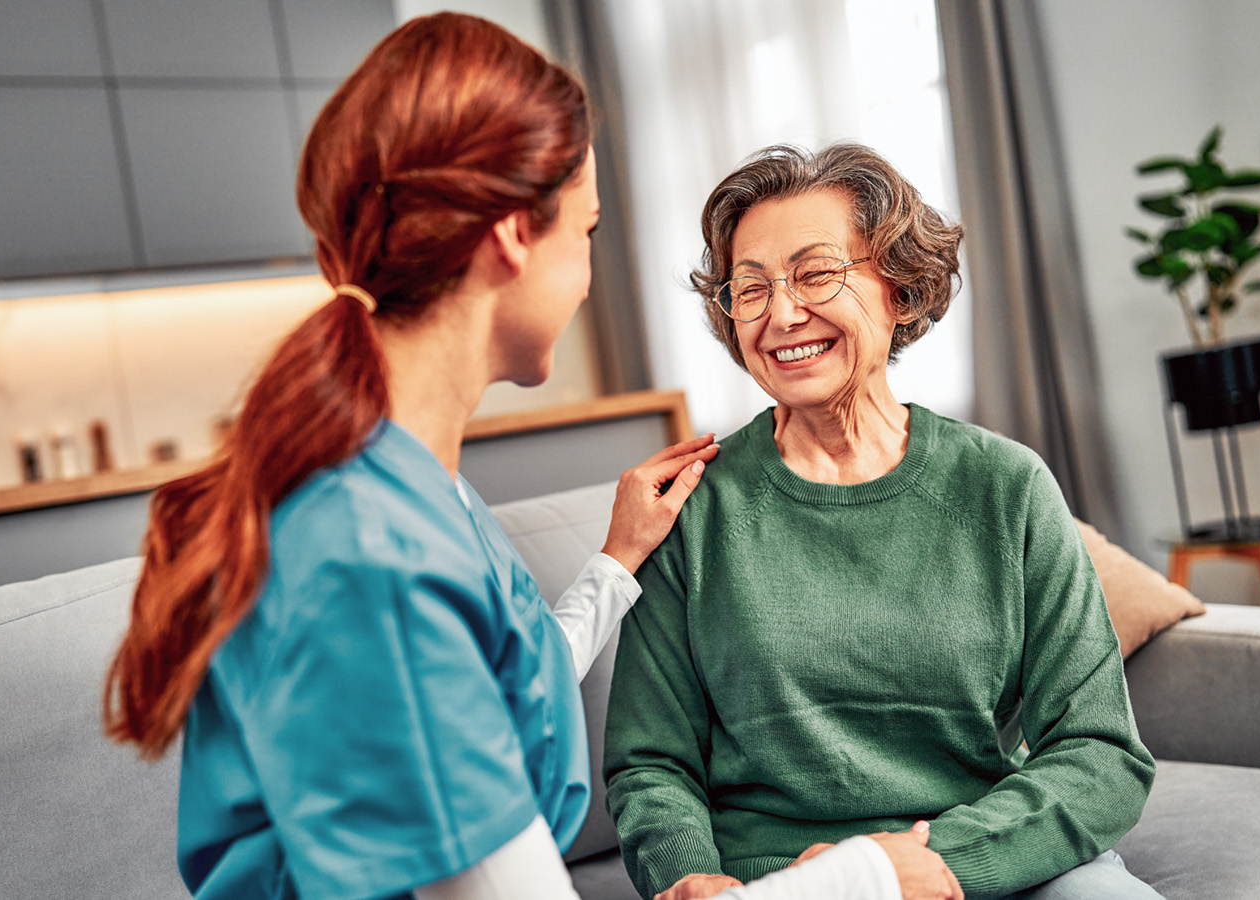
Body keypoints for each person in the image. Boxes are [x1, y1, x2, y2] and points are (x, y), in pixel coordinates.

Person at [102, 16, 957, 900]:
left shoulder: (417, 491)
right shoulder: (369, 555)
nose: (588, 276)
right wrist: (860, 876)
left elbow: (484, 697)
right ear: (513, 236)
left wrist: (615, 565)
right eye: (585, 232)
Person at [603, 143, 1161, 900]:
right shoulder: (691, 508)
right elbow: (651, 763)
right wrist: (692, 877)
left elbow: (1099, 751)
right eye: (751, 287)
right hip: (777, 887)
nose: (782, 313)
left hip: (971, 863)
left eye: (816, 273)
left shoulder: (1006, 486)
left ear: (900, 287)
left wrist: (918, 867)